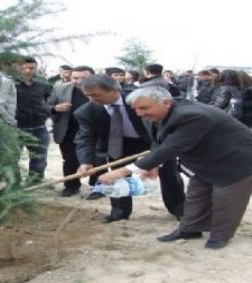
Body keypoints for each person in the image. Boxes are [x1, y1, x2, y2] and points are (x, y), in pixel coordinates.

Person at [99, 86, 252, 249]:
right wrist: (153, 164)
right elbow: (160, 143)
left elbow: (172, 147)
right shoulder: (163, 113)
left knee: (226, 200)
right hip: (205, 160)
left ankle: (220, 236)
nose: (139, 113)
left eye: (144, 108)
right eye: (136, 109)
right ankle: (191, 229)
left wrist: (124, 171)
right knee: (196, 195)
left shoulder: (192, 116)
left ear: (165, 102)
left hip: (235, 161)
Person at [75, 75, 185, 222]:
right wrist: (85, 161)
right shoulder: (85, 112)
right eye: (88, 96)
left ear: (115, 90)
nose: (91, 99)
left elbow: (161, 126)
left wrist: (156, 154)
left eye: (95, 95)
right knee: (117, 176)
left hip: (152, 141)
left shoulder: (142, 100)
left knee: (168, 173)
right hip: (118, 144)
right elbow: (85, 138)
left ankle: (179, 208)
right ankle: (120, 212)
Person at [47, 65, 104, 198]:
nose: (79, 81)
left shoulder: (102, 90)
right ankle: (71, 186)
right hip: (68, 131)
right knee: (69, 159)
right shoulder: (60, 88)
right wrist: (55, 108)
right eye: (75, 78)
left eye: (84, 78)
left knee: (97, 160)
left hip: (95, 133)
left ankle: (98, 187)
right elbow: (47, 105)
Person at [16, 56, 53, 184]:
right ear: (18, 68)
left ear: (36, 68)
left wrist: (47, 111)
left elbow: (51, 101)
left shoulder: (43, 84)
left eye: (31, 68)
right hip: (16, 128)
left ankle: (35, 182)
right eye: (24, 68)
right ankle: (14, 184)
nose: (27, 71)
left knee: (39, 158)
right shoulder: (12, 83)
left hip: (39, 127)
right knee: (12, 158)